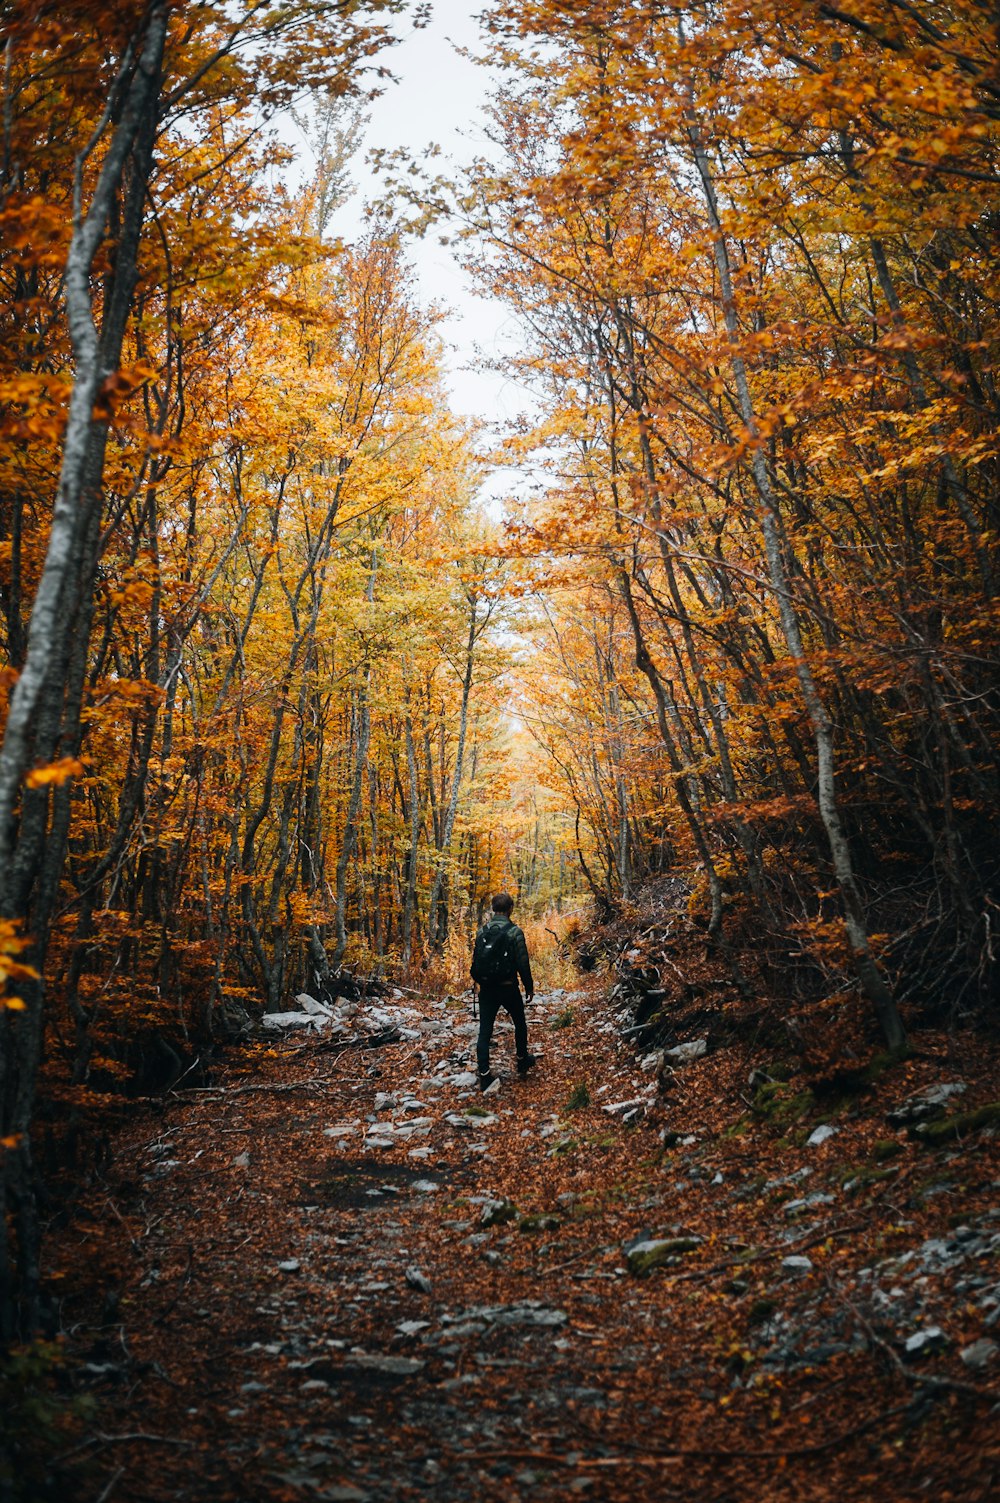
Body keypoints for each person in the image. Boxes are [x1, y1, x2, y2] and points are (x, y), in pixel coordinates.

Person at [470, 892, 536, 1090]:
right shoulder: (515, 932)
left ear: (492, 909)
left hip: (487, 989)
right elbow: (523, 962)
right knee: (519, 1023)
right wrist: (529, 986)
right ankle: (522, 1059)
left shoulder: (482, 932)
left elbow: (476, 961)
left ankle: (484, 1074)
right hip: (508, 988)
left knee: (485, 1031)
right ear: (511, 909)